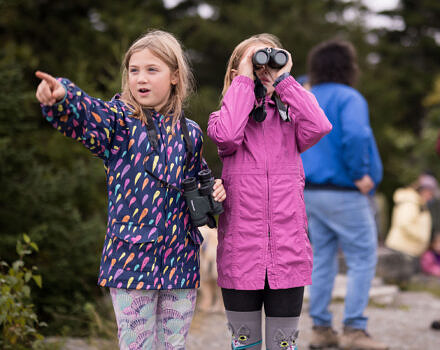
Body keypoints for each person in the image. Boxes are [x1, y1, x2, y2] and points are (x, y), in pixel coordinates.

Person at [35, 29, 226, 350]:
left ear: (175, 76)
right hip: (130, 261)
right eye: (134, 70)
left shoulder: (189, 132)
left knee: (174, 346)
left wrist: (216, 190)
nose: (141, 78)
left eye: (152, 70)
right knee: (137, 346)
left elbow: (200, 180)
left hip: (180, 262)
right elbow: (87, 115)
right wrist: (62, 96)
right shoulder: (118, 123)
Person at [207, 33, 332, 350]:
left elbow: (320, 125)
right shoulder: (224, 119)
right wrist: (245, 81)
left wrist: (285, 80)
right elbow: (227, 135)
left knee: (283, 346)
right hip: (240, 255)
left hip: (287, 254)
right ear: (236, 74)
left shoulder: (291, 123)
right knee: (245, 346)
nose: (262, 68)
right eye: (253, 62)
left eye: (267, 60)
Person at [301, 40, 387, 350]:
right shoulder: (349, 97)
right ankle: (354, 330)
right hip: (343, 191)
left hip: (309, 192)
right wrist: (359, 174)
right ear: (347, 66)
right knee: (363, 256)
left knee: (322, 259)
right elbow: (355, 134)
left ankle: (321, 329)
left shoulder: (304, 94)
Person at [385, 174, 438, 261]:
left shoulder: (419, 204)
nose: (430, 197)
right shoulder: (410, 203)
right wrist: (422, 237)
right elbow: (404, 224)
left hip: (409, 252)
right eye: (430, 193)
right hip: (401, 251)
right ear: (423, 190)